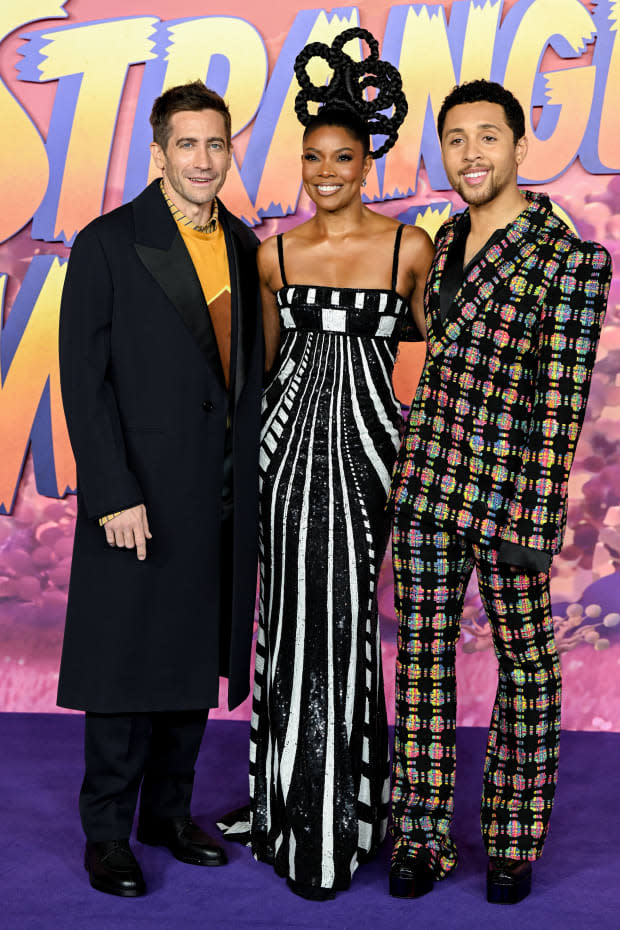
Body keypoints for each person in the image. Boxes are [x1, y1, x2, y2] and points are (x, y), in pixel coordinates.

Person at [218, 28, 434, 900]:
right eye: (313, 158)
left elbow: (427, 358)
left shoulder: (409, 248)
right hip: (289, 454)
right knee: (292, 622)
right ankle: (284, 806)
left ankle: (344, 811)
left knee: (342, 628)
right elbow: (266, 371)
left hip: (370, 454)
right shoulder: (273, 253)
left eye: (342, 156)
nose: (326, 171)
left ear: (368, 158)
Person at [389, 79, 611, 904]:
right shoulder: (440, 243)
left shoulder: (571, 258)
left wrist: (535, 514)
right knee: (420, 663)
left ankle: (513, 843)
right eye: (455, 139)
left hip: (510, 492)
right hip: (426, 487)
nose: (471, 153)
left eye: (488, 136)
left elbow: (560, 398)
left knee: (526, 666)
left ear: (522, 147)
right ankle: (421, 837)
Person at [57, 80, 263, 897]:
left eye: (216, 144)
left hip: (219, 489)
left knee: (191, 655)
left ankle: (169, 815)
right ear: (158, 152)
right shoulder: (108, 242)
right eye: (188, 144)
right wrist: (112, 492)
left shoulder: (249, 248)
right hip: (137, 492)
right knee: (122, 661)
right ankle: (108, 831)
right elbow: (84, 380)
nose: (204, 160)